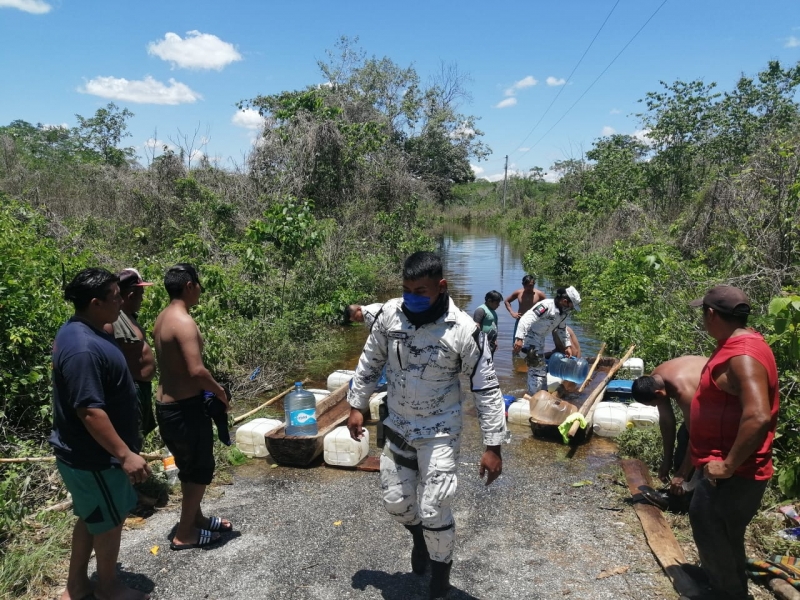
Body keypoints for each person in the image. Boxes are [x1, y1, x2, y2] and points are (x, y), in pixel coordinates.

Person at [346, 251, 508, 600]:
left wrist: (492, 446)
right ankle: (419, 538)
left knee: (435, 507)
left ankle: (440, 578)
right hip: (399, 425)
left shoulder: (464, 329)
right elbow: (370, 361)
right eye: (406, 289)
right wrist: (356, 405)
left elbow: (487, 387)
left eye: (421, 290)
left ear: (441, 287)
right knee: (397, 503)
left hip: (440, 431)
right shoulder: (390, 315)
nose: (412, 297)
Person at [50, 268, 151, 600]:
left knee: (93, 517)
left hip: (89, 457)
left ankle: (76, 586)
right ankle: (108, 589)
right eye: (115, 296)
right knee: (109, 521)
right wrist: (125, 455)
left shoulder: (88, 329)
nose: (121, 300)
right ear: (95, 303)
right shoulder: (81, 348)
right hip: (95, 459)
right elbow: (89, 411)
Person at [687, 285, 779, 600]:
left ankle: (727, 593)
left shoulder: (743, 356)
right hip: (726, 469)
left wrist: (728, 465)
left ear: (711, 314)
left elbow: (758, 416)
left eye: (703, 312)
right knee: (725, 534)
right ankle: (724, 580)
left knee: (709, 527)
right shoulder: (740, 343)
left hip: (733, 474)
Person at [152, 264, 232, 551]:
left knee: (188, 466)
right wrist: (219, 391)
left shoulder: (162, 318)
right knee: (200, 468)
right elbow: (196, 370)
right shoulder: (183, 322)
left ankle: (195, 518)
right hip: (184, 410)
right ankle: (184, 533)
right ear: (189, 285)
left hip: (167, 407)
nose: (200, 290)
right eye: (198, 284)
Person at [631, 356, 707, 495]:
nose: (656, 406)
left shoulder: (684, 391)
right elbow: (667, 422)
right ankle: (681, 485)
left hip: (730, 403)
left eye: (654, 403)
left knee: (696, 443)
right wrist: (667, 461)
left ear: (658, 394)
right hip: (705, 402)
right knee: (683, 436)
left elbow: (698, 437)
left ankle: (690, 491)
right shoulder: (656, 379)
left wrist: (682, 474)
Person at [104, 268, 157, 437]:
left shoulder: (129, 316)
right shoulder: (112, 321)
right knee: (132, 436)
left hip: (141, 387)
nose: (143, 298)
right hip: (129, 390)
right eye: (141, 293)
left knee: (139, 434)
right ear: (131, 295)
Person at [512, 286, 581, 395]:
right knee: (536, 370)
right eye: (571, 306)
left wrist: (567, 346)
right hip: (528, 340)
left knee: (541, 371)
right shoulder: (545, 306)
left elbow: (562, 329)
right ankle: (533, 397)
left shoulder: (562, 313)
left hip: (539, 341)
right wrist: (519, 338)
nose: (571, 309)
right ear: (564, 301)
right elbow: (525, 319)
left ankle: (542, 394)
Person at [504, 274, 546, 340]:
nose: (529, 288)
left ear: (534, 284)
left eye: (531, 286)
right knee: (516, 343)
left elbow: (547, 306)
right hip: (520, 321)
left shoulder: (539, 294)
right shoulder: (518, 293)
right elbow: (507, 301)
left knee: (533, 344)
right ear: (523, 284)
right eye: (527, 286)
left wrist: (541, 315)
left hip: (534, 322)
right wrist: (512, 313)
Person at [473, 290, 502, 355]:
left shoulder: (492, 311)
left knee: (489, 362)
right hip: (482, 343)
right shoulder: (481, 310)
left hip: (491, 342)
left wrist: (495, 340)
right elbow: (476, 327)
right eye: (497, 303)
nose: (499, 305)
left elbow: (495, 326)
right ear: (489, 301)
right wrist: (478, 343)